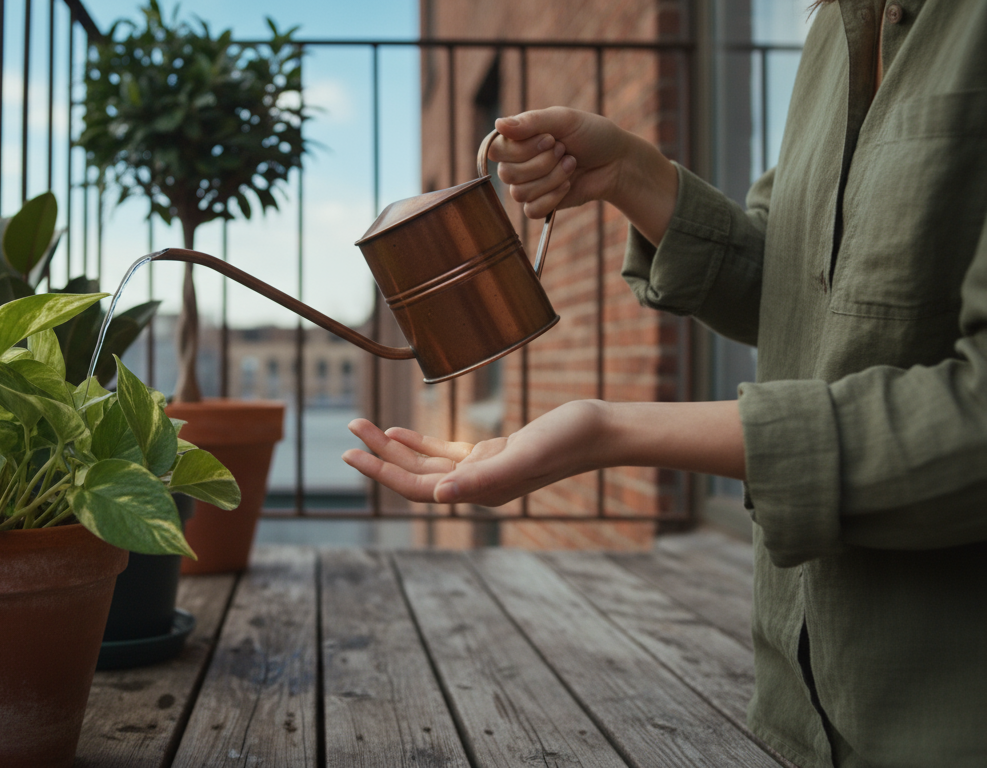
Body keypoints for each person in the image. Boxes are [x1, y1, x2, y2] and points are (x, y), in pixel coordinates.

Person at [343, 2, 987, 766]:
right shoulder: (834, 34)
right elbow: (802, 289)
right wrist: (630, 174)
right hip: (797, 699)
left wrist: (614, 432)